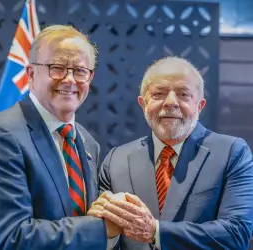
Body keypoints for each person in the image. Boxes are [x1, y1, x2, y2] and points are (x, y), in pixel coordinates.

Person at [0, 25, 120, 249]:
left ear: (90, 77)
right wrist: (102, 228)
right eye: (57, 68)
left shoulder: (87, 143)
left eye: (79, 71)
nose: (70, 79)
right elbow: (12, 239)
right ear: (31, 74)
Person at [88, 56, 253, 249]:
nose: (170, 102)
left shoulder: (232, 153)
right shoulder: (117, 160)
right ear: (143, 104)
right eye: (158, 94)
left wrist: (155, 231)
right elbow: (107, 237)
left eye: (183, 94)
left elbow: (237, 234)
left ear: (200, 106)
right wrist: (102, 232)